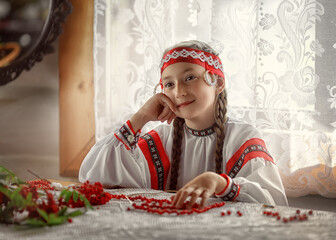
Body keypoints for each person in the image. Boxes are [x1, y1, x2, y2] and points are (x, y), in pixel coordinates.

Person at [79, 40, 288, 209]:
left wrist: (219, 182)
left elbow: (273, 203)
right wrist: (141, 116)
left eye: (189, 77)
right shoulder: (160, 139)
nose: (179, 92)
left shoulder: (242, 137)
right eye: (169, 84)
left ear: (218, 83)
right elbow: (93, 178)